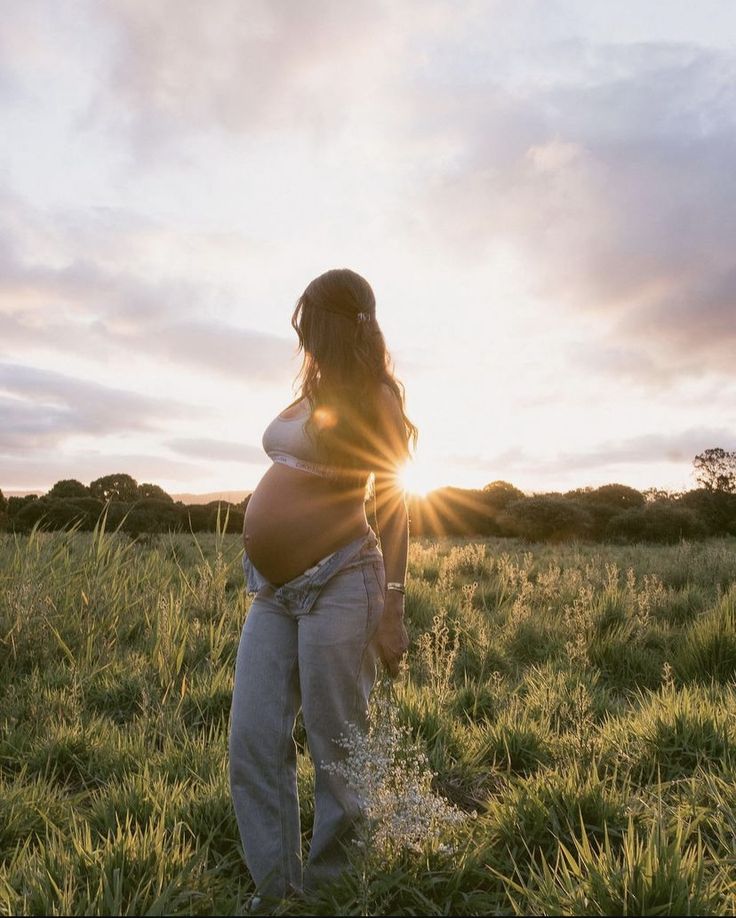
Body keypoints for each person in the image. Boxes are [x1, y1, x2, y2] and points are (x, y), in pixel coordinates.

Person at [229, 268, 418, 905]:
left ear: (335, 324)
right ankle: (279, 891)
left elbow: (394, 501)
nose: (301, 331)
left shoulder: (376, 396)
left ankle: (335, 891)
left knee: (337, 748)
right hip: (274, 591)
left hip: (342, 578)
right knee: (254, 740)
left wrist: (392, 606)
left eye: (309, 320)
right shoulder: (309, 391)